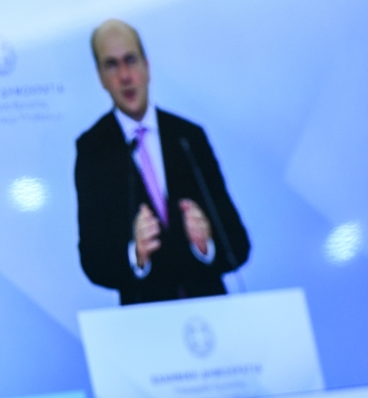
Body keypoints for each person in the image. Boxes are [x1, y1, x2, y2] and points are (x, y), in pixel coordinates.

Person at [74, 19, 250, 305]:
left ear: (147, 66)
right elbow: (93, 262)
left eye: (131, 60)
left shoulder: (188, 137)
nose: (125, 76)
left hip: (210, 309)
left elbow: (238, 244)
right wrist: (135, 255)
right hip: (146, 318)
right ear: (101, 77)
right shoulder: (93, 149)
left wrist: (206, 244)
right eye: (112, 65)